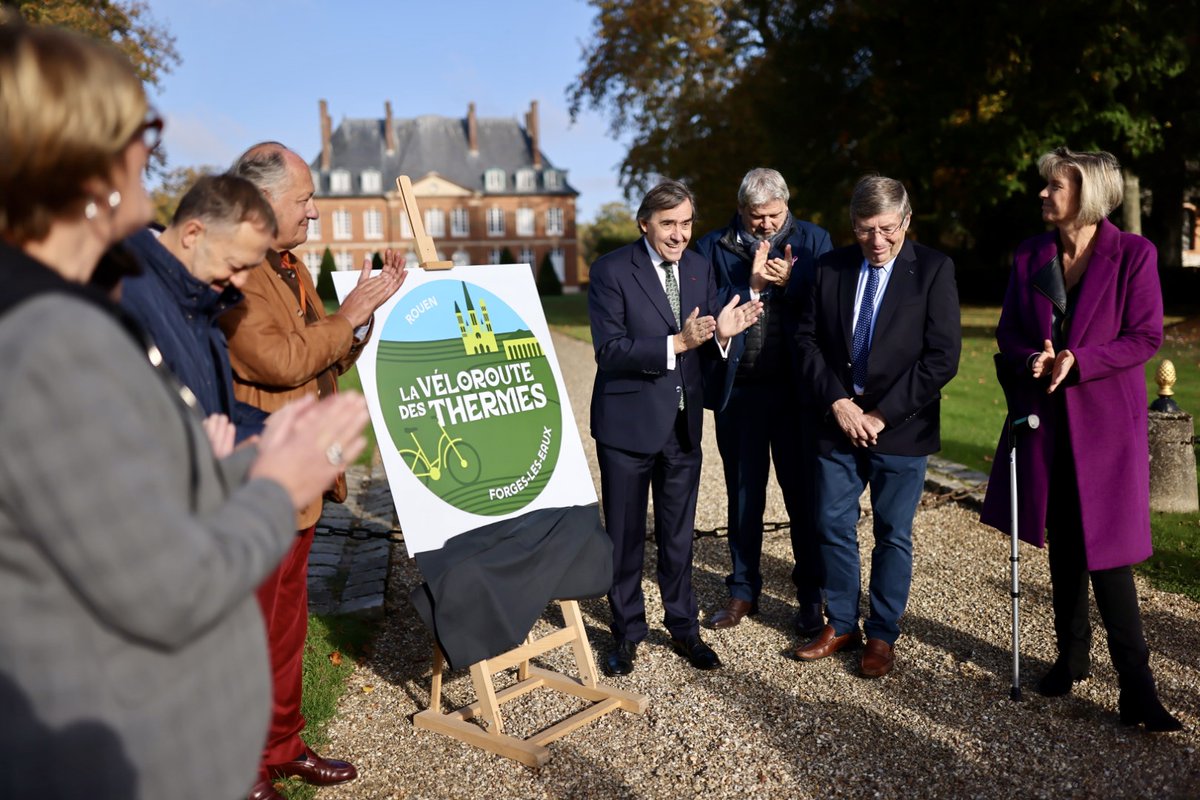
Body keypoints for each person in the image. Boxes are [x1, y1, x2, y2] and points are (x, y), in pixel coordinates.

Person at [0, 16, 369, 800]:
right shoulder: (55, 332)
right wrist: (272, 479)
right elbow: (166, 588)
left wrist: (216, 450)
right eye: (146, 134)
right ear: (85, 162)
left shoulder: (68, 308)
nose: (153, 162)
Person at [222, 142, 407, 799]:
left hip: (302, 478)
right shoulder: (235, 271)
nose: (317, 213)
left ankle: (283, 744)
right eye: (304, 200)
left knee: (288, 624)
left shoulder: (289, 265)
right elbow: (275, 361)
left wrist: (363, 317)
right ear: (263, 201)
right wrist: (348, 314)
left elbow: (319, 359)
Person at [980, 148, 1180, 732]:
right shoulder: (1030, 254)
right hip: (1045, 426)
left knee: (1109, 557)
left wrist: (1079, 358)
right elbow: (1008, 332)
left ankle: (1137, 689)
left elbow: (1145, 337)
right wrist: (1031, 357)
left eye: (1054, 187)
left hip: (1106, 431)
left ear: (1087, 194)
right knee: (1062, 541)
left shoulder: (1133, 255)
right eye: (1044, 186)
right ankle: (1071, 658)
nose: (1042, 194)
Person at [588, 179, 761, 676]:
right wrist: (678, 343)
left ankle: (684, 629)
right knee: (623, 538)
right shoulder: (611, 270)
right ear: (644, 223)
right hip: (626, 427)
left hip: (683, 426)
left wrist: (722, 338)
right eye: (669, 224)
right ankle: (626, 634)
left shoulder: (701, 268)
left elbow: (706, 344)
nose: (680, 234)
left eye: (686, 223)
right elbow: (610, 350)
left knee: (678, 537)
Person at [794, 175, 960, 678]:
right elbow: (804, 341)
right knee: (830, 524)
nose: (877, 241)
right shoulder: (830, 268)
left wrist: (881, 414)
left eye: (887, 229)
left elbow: (942, 357)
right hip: (837, 422)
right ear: (853, 225)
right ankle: (841, 622)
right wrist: (840, 404)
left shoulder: (933, 270)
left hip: (902, 428)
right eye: (866, 230)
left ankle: (882, 634)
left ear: (906, 221)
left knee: (893, 533)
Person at [695, 167, 833, 634]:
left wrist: (790, 283)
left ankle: (811, 594)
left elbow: (832, 309)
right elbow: (704, 310)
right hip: (742, 390)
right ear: (741, 210)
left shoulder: (815, 241)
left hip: (798, 393)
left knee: (804, 496)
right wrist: (751, 287)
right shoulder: (712, 246)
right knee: (742, 495)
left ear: (787, 207)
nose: (767, 225)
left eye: (775, 215)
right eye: (757, 217)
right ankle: (741, 590)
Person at [121, 174, 276, 442]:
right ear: (192, 234)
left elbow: (214, 410)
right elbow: (150, 433)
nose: (240, 282)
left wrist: (277, 427)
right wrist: (264, 442)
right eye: (235, 265)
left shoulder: (202, 298)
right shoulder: (128, 297)